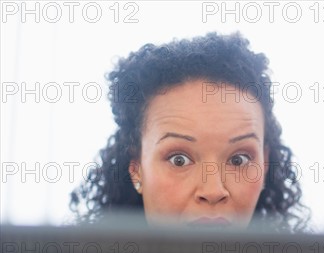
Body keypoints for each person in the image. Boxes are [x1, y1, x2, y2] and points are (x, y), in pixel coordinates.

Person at [70, 32, 308, 232]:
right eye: (179, 160)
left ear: (264, 164)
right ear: (136, 169)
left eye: (239, 159)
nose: (213, 191)